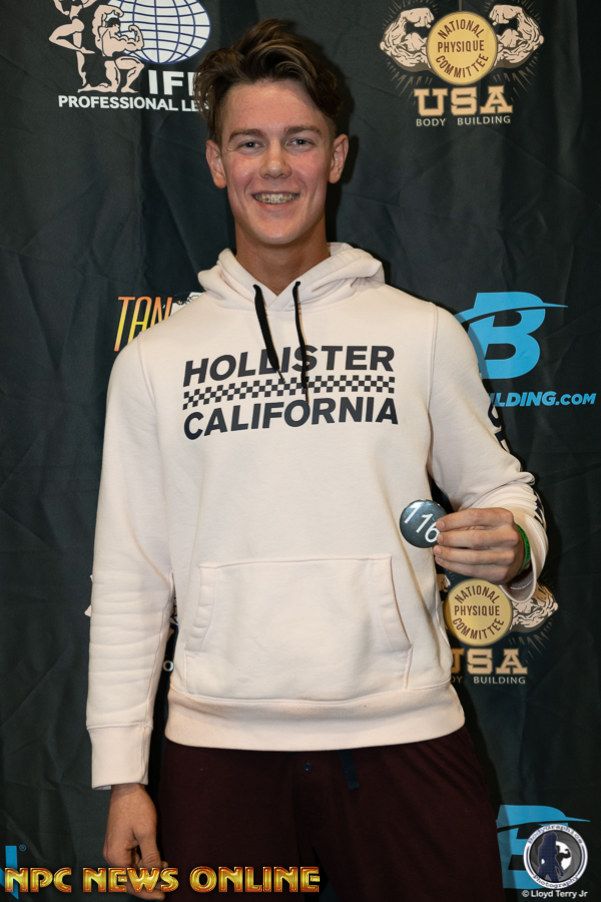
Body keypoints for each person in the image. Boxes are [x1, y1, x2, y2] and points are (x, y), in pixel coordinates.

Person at [86, 19, 547, 901]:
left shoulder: (420, 334)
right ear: (216, 162)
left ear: (336, 157)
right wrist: (123, 774)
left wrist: (516, 542)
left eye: (299, 141)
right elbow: (130, 577)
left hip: (404, 733)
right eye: (248, 143)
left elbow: (502, 493)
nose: (274, 167)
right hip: (217, 749)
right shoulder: (153, 361)